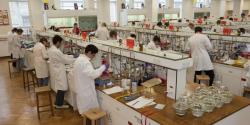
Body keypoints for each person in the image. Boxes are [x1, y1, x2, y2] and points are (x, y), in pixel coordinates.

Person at [73, 44, 108, 114]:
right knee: (90, 112)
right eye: (93, 55)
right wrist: (103, 67)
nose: (93, 57)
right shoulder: (85, 62)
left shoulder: (79, 59)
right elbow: (94, 75)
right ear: (89, 52)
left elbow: (87, 72)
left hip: (81, 89)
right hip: (86, 92)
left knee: (85, 113)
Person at [48, 35, 75, 108]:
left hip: (56, 69)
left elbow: (62, 57)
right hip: (59, 70)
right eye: (61, 43)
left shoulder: (52, 49)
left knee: (60, 87)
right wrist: (76, 59)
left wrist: (71, 57)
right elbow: (64, 60)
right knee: (62, 87)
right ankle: (59, 104)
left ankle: (58, 102)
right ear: (57, 42)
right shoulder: (56, 51)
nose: (61, 45)